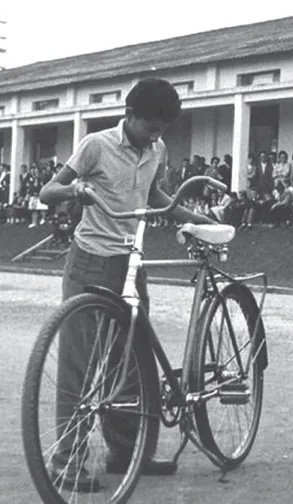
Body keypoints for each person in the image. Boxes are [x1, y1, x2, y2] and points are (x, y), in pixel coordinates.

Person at [38, 78, 215, 492]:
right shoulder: (96, 145)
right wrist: (76, 189)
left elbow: (154, 195)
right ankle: (67, 462)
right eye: (150, 126)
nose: (156, 135)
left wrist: (192, 217)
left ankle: (126, 451)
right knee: (79, 366)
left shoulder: (157, 149)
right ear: (129, 114)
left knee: (131, 362)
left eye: (162, 129)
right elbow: (49, 191)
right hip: (90, 262)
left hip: (131, 264)